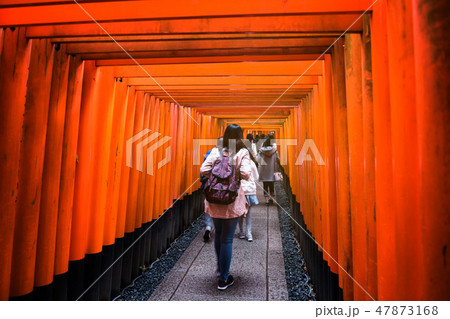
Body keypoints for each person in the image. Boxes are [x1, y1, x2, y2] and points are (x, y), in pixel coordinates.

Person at [200, 124, 252, 290]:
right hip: (231, 199)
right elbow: (246, 174)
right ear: (240, 136)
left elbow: (203, 169)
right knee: (227, 239)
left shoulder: (216, 151)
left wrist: (218, 176)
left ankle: (220, 269)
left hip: (214, 199)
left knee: (219, 235)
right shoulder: (242, 152)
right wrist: (232, 176)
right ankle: (223, 279)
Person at [200, 137, 223, 242]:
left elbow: (204, 169)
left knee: (208, 205)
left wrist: (211, 177)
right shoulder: (228, 154)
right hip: (222, 187)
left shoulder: (210, 152)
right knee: (220, 206)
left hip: (209, 185)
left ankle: (208, 226)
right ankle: (219, 228)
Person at [238, 147, 259, 242]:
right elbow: (256, 177)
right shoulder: (252, 163)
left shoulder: (237, 162)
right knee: (249, 213)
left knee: (240, 212)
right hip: (250, 190)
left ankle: (241, 231)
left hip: (240, 190)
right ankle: (248, 233)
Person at [258, 133, 280, 206]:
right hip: (271, 170)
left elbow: (259, 159)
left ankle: (266, 200)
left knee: (265, 185)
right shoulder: (274, 150)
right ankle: (271, 198)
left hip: (264, 170)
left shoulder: (261, 150)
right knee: (271, 184)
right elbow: (278, 159)